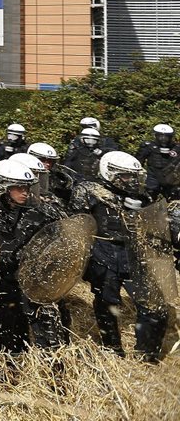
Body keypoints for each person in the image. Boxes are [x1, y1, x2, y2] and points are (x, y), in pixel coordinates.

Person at [70, 151, 167, 361]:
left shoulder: (141, 195)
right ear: (109, 173)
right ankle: (112, 349)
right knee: (107, 303)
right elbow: (77, 223)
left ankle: (147, 355)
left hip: (133, 253)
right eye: (125, 176)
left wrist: (142, 213)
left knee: (154, 306)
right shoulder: (90, 190)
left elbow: (156, 223)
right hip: (102, 252)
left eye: (134, 176)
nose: (131, 181)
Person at [0, 160, 67, 353]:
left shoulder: (40, 211)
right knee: (8, 328)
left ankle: (51, 365)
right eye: (19, 188)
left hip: (34, 278)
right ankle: (10, 362)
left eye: (27, 187)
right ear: (3, 187)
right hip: (4, 279)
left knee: (49, 328)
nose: (25, 192)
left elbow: (58, 238)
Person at [140, 123, 179, 201]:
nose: (163, 139)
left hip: (170, 179)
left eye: (166, 136)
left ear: (170, 137)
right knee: (148, 197)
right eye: (160, 136)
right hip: (152, 177)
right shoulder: (148, 146)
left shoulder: (177, 148)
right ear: (156, 136)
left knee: (174, 196)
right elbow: (138, 161)